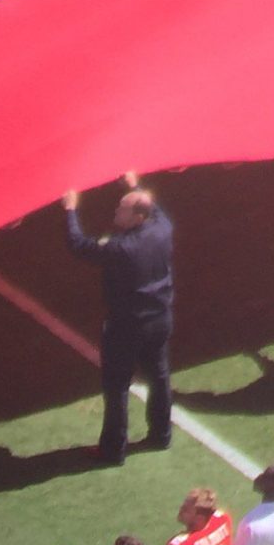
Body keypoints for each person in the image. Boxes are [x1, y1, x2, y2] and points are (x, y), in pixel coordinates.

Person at [62, 171, 174, 465]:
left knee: (117, 387)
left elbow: (78, 244)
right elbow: (157, 209)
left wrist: (71, 209)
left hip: (127, 326)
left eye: (122, 209)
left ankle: (113, 449)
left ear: (137, 216)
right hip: (160, 318)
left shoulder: (121, 248)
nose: (116, 211)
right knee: (159, 377)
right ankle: (162, 434)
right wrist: (135, 184)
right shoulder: (162, 228)